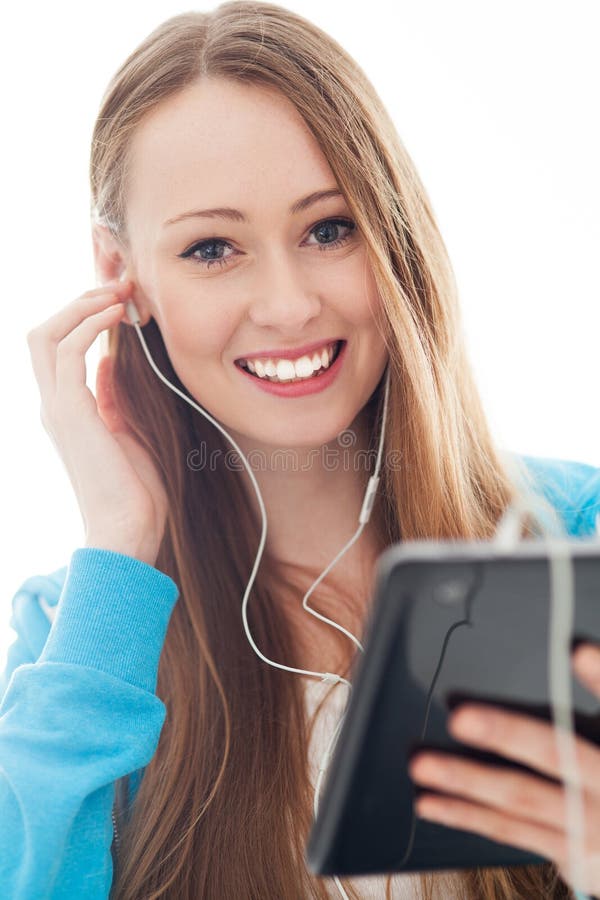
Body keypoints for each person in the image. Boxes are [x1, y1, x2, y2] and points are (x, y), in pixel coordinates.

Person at [1, 3, 599, 898]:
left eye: (328, 229)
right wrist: (121, 544)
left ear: (391, 231)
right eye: (213, 248)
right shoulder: (83, 633)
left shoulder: (574, 538)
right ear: (123, 277)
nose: (286, 305)